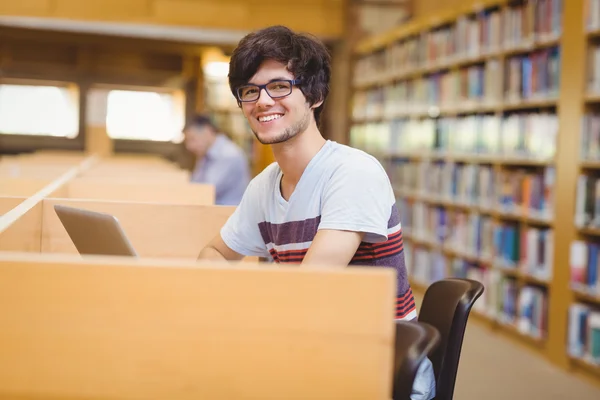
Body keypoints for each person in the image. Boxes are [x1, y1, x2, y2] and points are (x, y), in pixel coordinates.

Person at [197, 25, 436, 400]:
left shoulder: (353, 172)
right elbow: (213, 253)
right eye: (249, 91)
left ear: (316, 95)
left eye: (279, 86)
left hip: (378, 371)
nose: (262, 101)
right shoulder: (264, 185)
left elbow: (309, 287)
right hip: (313, 353)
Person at [183, 114, 250, 206]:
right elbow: (195, 183)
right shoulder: (207, 152)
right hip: (213, 208)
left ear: (207, 132)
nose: (189, 146)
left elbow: (206, 191)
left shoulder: (227, 154)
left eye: (192, 139)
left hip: (228, 213)